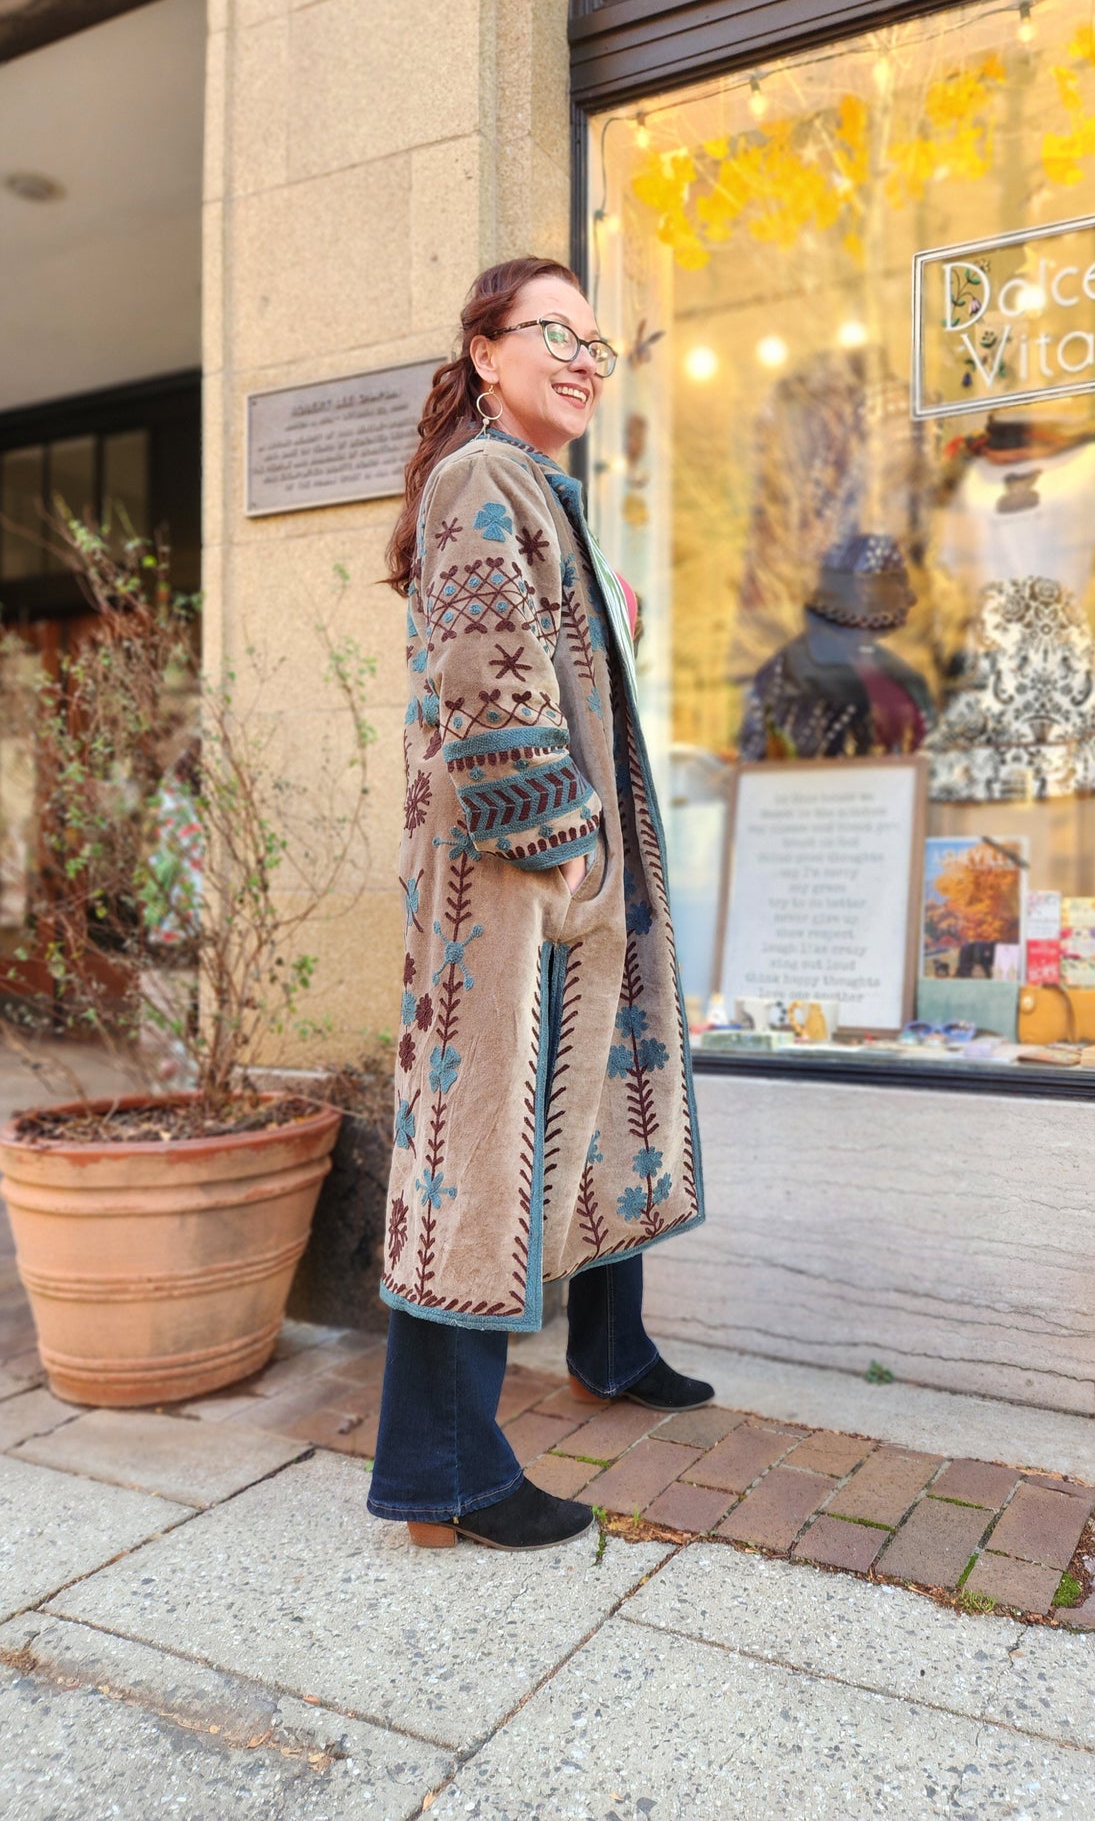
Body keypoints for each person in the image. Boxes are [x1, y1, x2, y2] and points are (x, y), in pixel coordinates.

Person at [370, 257, 707, 1552]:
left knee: (604, 1104)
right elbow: (486, 687)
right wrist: (564, 855)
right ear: (483, 351)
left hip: (558, 888)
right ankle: (442, 1472)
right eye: (547, 333)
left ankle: (610, 1349)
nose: (577, 356)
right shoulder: (480, 480)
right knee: (478, 1157)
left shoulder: (531, 487)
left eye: (592, 338)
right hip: (509, 900)